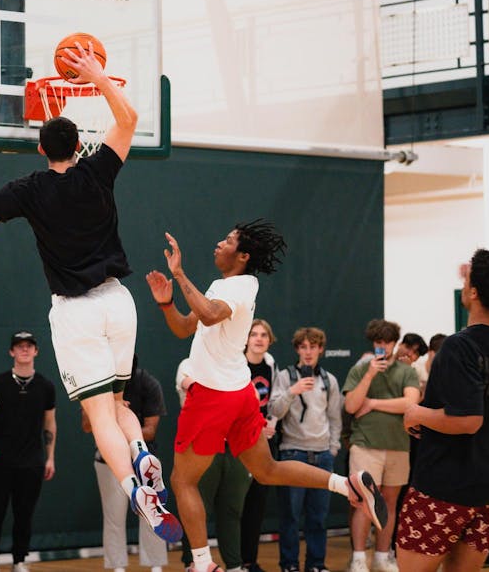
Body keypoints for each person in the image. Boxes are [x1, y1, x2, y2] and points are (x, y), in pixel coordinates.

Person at [0, 42, 181, 542]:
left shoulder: (29, 189)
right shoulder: (99, 170)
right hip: (119, 302)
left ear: (42, 148)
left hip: (77, 311)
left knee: (97, 411)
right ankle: (144, 455)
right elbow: (127, 118)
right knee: (120, 401)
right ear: (79, 144)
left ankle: (134, 487)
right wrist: (96, 75)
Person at [145, 222, 386, 572]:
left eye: (226, 240)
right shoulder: (222, 285)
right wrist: (167, 303)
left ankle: (201, 563)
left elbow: (211, 315)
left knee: (183, 481)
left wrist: (180, 275)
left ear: (243, 255)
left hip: (213, 395)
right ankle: (346, 484)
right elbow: (186, 327)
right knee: (266, 470)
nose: (218, 242)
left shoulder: (241, 286)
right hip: (240, 393)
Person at [396, 249, 489, 571]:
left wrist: (416, 413)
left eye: (467, 279)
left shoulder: (459, 345)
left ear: (472, 292)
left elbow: (468, 420)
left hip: (442, 486)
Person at [0, 331, 56, 572]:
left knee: (24, 514)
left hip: (31, 461)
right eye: (19, 346)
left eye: (29, 346)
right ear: (11, 352)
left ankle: (19, 560)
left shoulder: (45, 386)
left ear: (36, 351)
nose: (24, 350)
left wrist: (50, 457)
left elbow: (50, 423)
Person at [342, 319, 420, 572]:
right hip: (365, 445)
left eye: (387, 342)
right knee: (365, 502)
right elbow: (352, 406)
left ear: (394, 344)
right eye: (378, 342)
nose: (383, 347)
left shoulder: (407, 371)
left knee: (389, 503)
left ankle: (383, 555)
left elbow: (411, 404)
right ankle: (358, 557)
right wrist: (370, 374)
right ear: (372, 343)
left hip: (398, 445)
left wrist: (374, 404)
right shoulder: (360, 369)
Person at [268, 327, 343, 572]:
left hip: (322, 455)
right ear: (297, 350)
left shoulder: (329, 380)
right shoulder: (285, 376)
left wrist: (332, 448)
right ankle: (289, 565)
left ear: (321, 349)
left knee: (318, 517)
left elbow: (334, 418)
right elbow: (274, 412)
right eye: (303, 347)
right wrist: (292, 391)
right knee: (290, 516)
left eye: (313, 347)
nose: (308, 352)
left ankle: (316, 564)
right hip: (293, 452)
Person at [86, 354, 168, 572]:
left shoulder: (148, 384)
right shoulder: (97, 388)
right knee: (114, 515)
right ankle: (118, 567)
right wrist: (105, 414)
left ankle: (156, 565)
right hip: (108, 460)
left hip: (141, 457)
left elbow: (150, 431)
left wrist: (119, 425)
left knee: (151, 510)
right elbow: (87, 425)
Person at [176, 355, 251, 572]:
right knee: (197, 508)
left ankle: (235, 566)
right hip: (201, 447)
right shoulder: (188, 364)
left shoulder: (236, 363)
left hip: (233, 448)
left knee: (232, 510)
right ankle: (194, 563)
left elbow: (250, 398)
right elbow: (199, 391)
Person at [240, 319, 279, 572]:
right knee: (234, 505)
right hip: (239, 442)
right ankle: (232, 562)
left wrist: (271, 423)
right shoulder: (235, 364)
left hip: (264, 440)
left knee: (256, 505)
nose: (259, 339)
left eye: (264, 334)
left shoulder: (271, 364)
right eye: (254, 334)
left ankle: (249, 561)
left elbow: (273, 401)